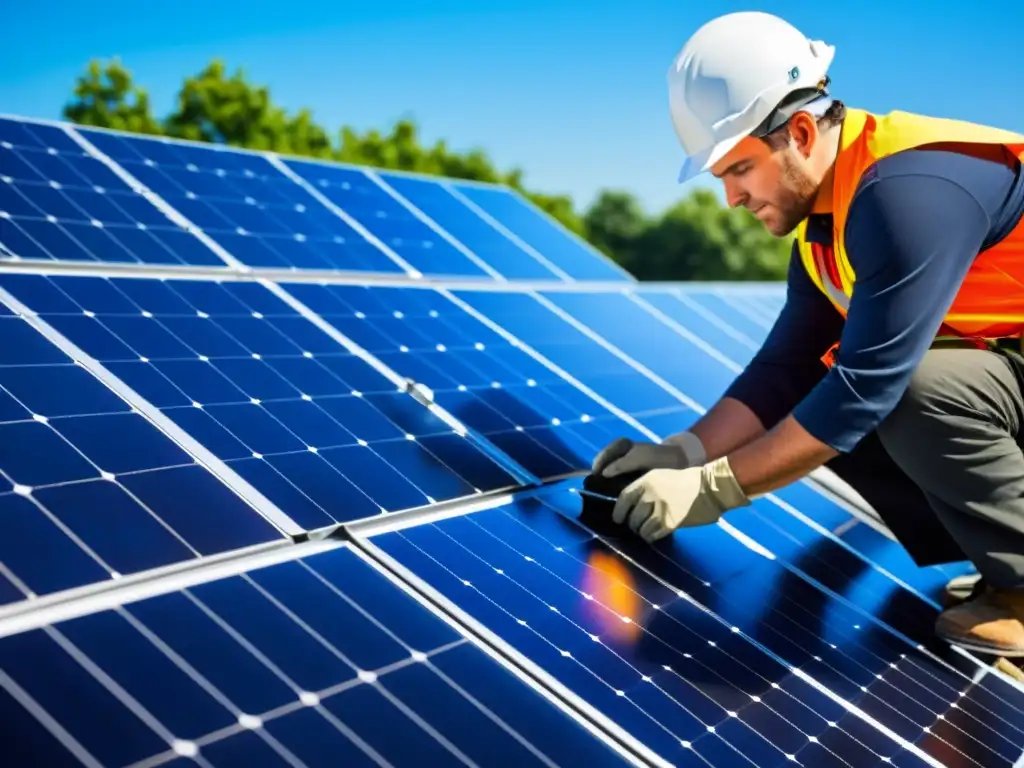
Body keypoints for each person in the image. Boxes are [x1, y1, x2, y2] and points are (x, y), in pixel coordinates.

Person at [592, 11, 1024, 657]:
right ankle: (1004, 567)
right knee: (823, 404)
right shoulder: (829, 225)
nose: (731, 199)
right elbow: (787, 367)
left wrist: (715, 489)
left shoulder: (905, 192)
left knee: (906, 392)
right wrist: (685, 453)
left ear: (799, 131)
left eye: (739, 169)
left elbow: (865, 387)